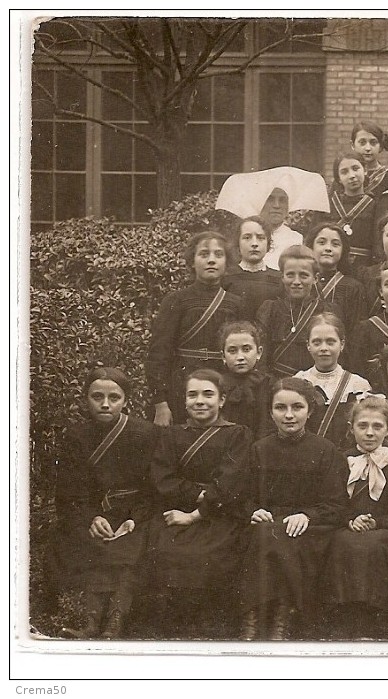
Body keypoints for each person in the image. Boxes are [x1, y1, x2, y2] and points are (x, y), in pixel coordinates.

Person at [53, 366, 158, 639]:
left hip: (134, 514)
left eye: (114, 398)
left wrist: (134, 518)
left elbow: (152, 487)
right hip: (94, 512)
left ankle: (114, 622)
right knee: (90, 543)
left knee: (131, 549)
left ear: (126, 400)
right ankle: (89, 621)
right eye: (97, 396)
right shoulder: (76, 436)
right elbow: (69, 491)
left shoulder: (145, 433)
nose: (105, 404)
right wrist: (90, 518)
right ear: (86, 399)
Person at [237, 377, 344, 641]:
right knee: (267, 534)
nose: (288, 415)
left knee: (283, 537)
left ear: (310, 410)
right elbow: (241, 496)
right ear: (270, 412)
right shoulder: (259, 449)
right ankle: (253, 615)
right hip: (269, 522)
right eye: (280, 408)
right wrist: (253, 510)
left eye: (297, 407)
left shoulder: (325, 450)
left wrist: (308, 515)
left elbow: (336, 504)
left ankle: (282, 616)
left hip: (310, 526)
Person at [148, 369, 252, 638]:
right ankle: (177, 622)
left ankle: (211, 620)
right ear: (184, 401)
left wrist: (199, 511)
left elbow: (232, 481)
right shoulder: (171, 436)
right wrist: (199, 496)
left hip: (222, 514)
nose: (200, 401)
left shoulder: (237, 434)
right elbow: (163, 479)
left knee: (207, 555)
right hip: (180, 510)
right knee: (167, 549)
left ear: (222, 400)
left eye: (208, 394)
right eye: (192, 395)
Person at [325, 394, 388, 634]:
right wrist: (350, 520)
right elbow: (333, 502)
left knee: (375, 544)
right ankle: (345, 612)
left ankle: (377, 612)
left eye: (377, 426)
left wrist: (377, 522)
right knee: (342, 541)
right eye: (362, 426)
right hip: (347, 527)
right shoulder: (342, 460)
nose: (370, 433)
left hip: (385, 528)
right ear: (351, 428)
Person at [146, 231, 241, 426]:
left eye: (218, 254)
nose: (211, 260)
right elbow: (158, 354)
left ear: (227, 262)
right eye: (204, 254)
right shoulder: (176, 301)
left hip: (223, 382)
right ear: (192, 261)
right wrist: (161, 403)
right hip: (181, 383)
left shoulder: (235, 303)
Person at [215, 166, 331, 271]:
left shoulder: (296, 239)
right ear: (259, 203)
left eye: (282, 200)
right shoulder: (243, 237)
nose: (277, 205)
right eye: (270, 199)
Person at [256, 245, 341, 379]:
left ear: (315, 278)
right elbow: (261, 357)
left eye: (304, 275)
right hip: (276, 383)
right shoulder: (270, 310)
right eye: (290, 275)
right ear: (282, 277)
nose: (296, 282)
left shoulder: (327, 310)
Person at [293, 312, 372, 448]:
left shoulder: (357, 384)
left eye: (330, 342)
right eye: (317, 342)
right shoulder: (298, 381)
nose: (324, 348)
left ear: (341, 344)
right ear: (308, 346)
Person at [305, 221, 368, 333]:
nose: (328, 248)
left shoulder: (353, 288)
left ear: (343, 251)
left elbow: (356, 331)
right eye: (322, 242)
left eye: (335, 244)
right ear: (311, 246)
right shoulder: (302, 283)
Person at [218, 321, 274, 440]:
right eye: (232, 351)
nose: (240, 357)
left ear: (259, 352)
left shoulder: (269, 385)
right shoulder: (218, 385)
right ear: (223, 356)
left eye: (246, 349)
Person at [325, 151, 379, 273]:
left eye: (356, 168)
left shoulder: (375, 204)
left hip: (364, 267)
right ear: (338, 179)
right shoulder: (329, 204)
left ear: (365, 170)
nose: (352, 175)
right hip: (333, 265)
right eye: (344, 172)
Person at [222, 216, 281, 323]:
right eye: (247, 237)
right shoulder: (226, 279)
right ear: (238, 243)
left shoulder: (279, 279)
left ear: (268, 244)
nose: (254, 243)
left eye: (260, 237)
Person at [349, 121, 388, 199]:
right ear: (352, 145)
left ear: (380, 146)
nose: (368, 148)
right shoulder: (346, 176)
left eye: (373, 143)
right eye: (362, 142)